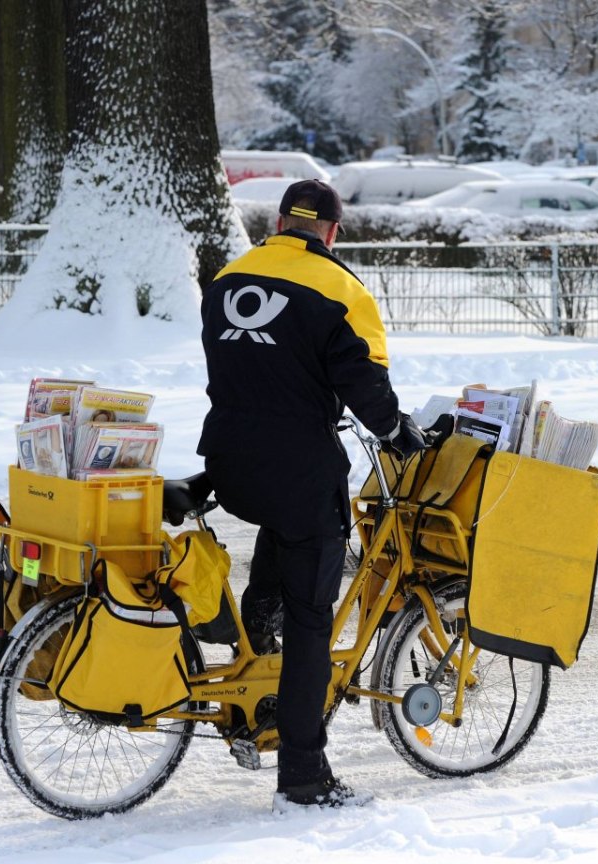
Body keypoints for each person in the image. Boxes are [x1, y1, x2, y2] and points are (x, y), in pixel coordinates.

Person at [198, 178, 425, 810]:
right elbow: (365, 384)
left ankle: (257, 653)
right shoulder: (340, 289)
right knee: (312, 615)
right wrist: (394, 431)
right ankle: (303, 771)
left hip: (228, 460)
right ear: (331, 230)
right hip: (298, 467)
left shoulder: (227, 275)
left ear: (278, 221)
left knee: (284, 532)